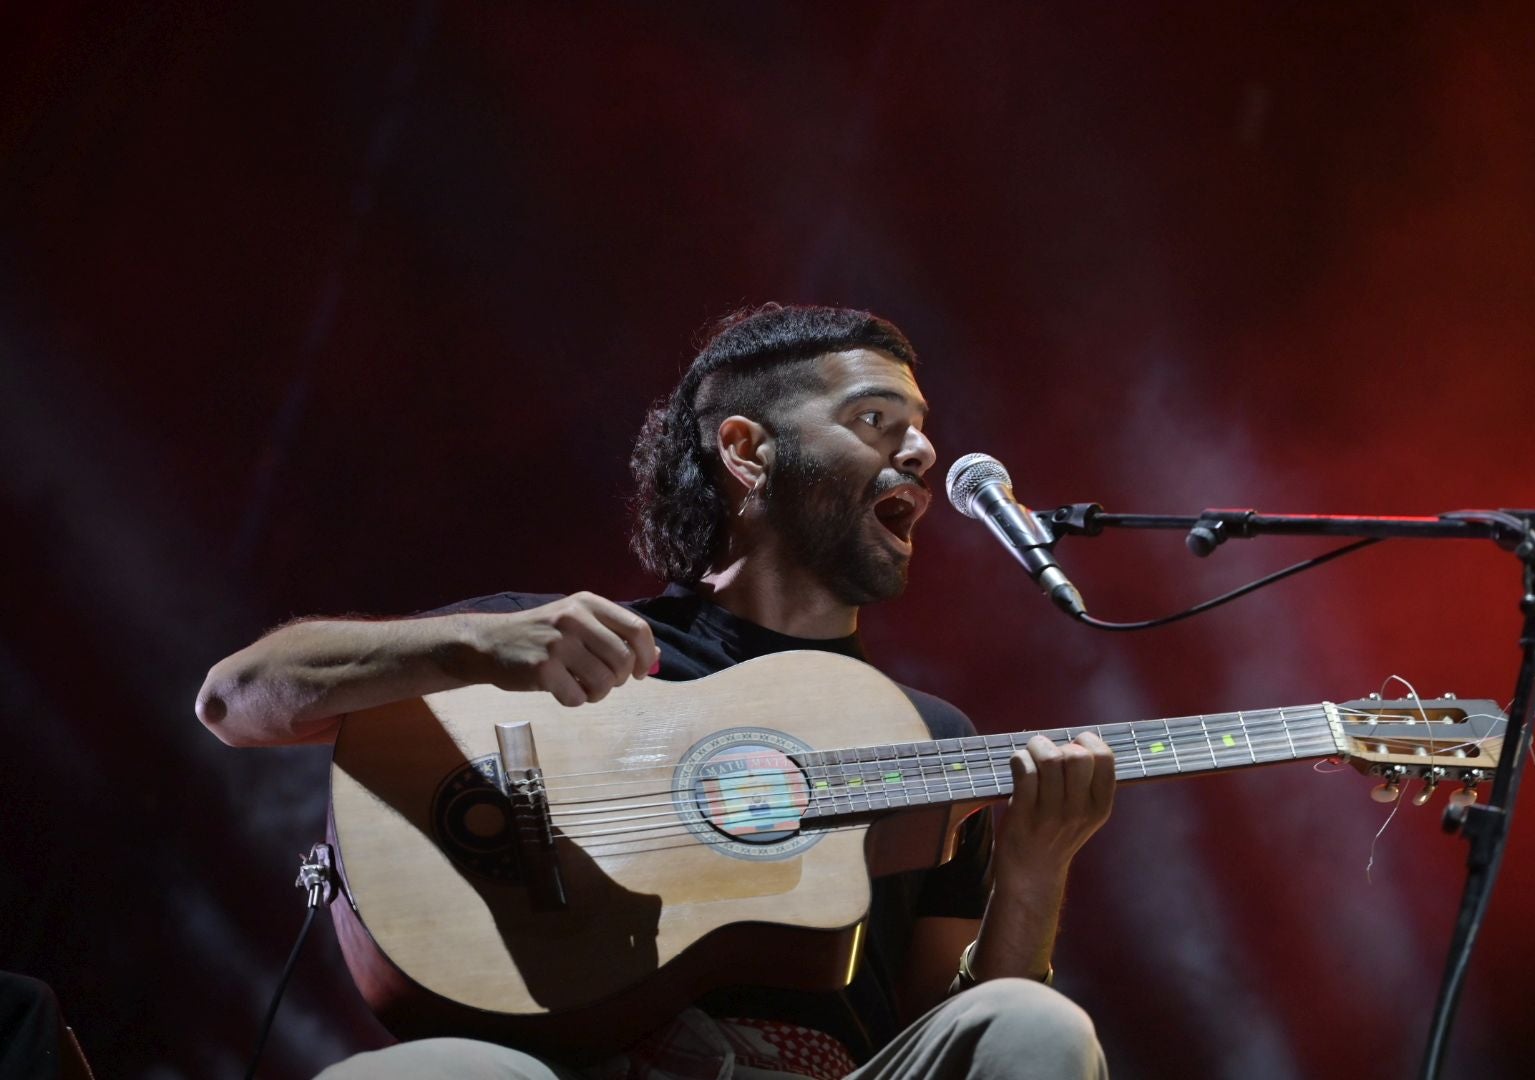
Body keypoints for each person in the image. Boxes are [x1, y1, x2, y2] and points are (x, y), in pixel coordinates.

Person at [196, 304, 1115, 1079]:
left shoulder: (929, 736)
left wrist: (1034, 875)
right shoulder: (553, 648)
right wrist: (478, 640)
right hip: (569, 1065)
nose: (920, 452)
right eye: (877, 420)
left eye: (921, 428)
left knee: (1040, 1027)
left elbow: (955, 1024)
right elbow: (237, 697)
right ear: (748, 452)